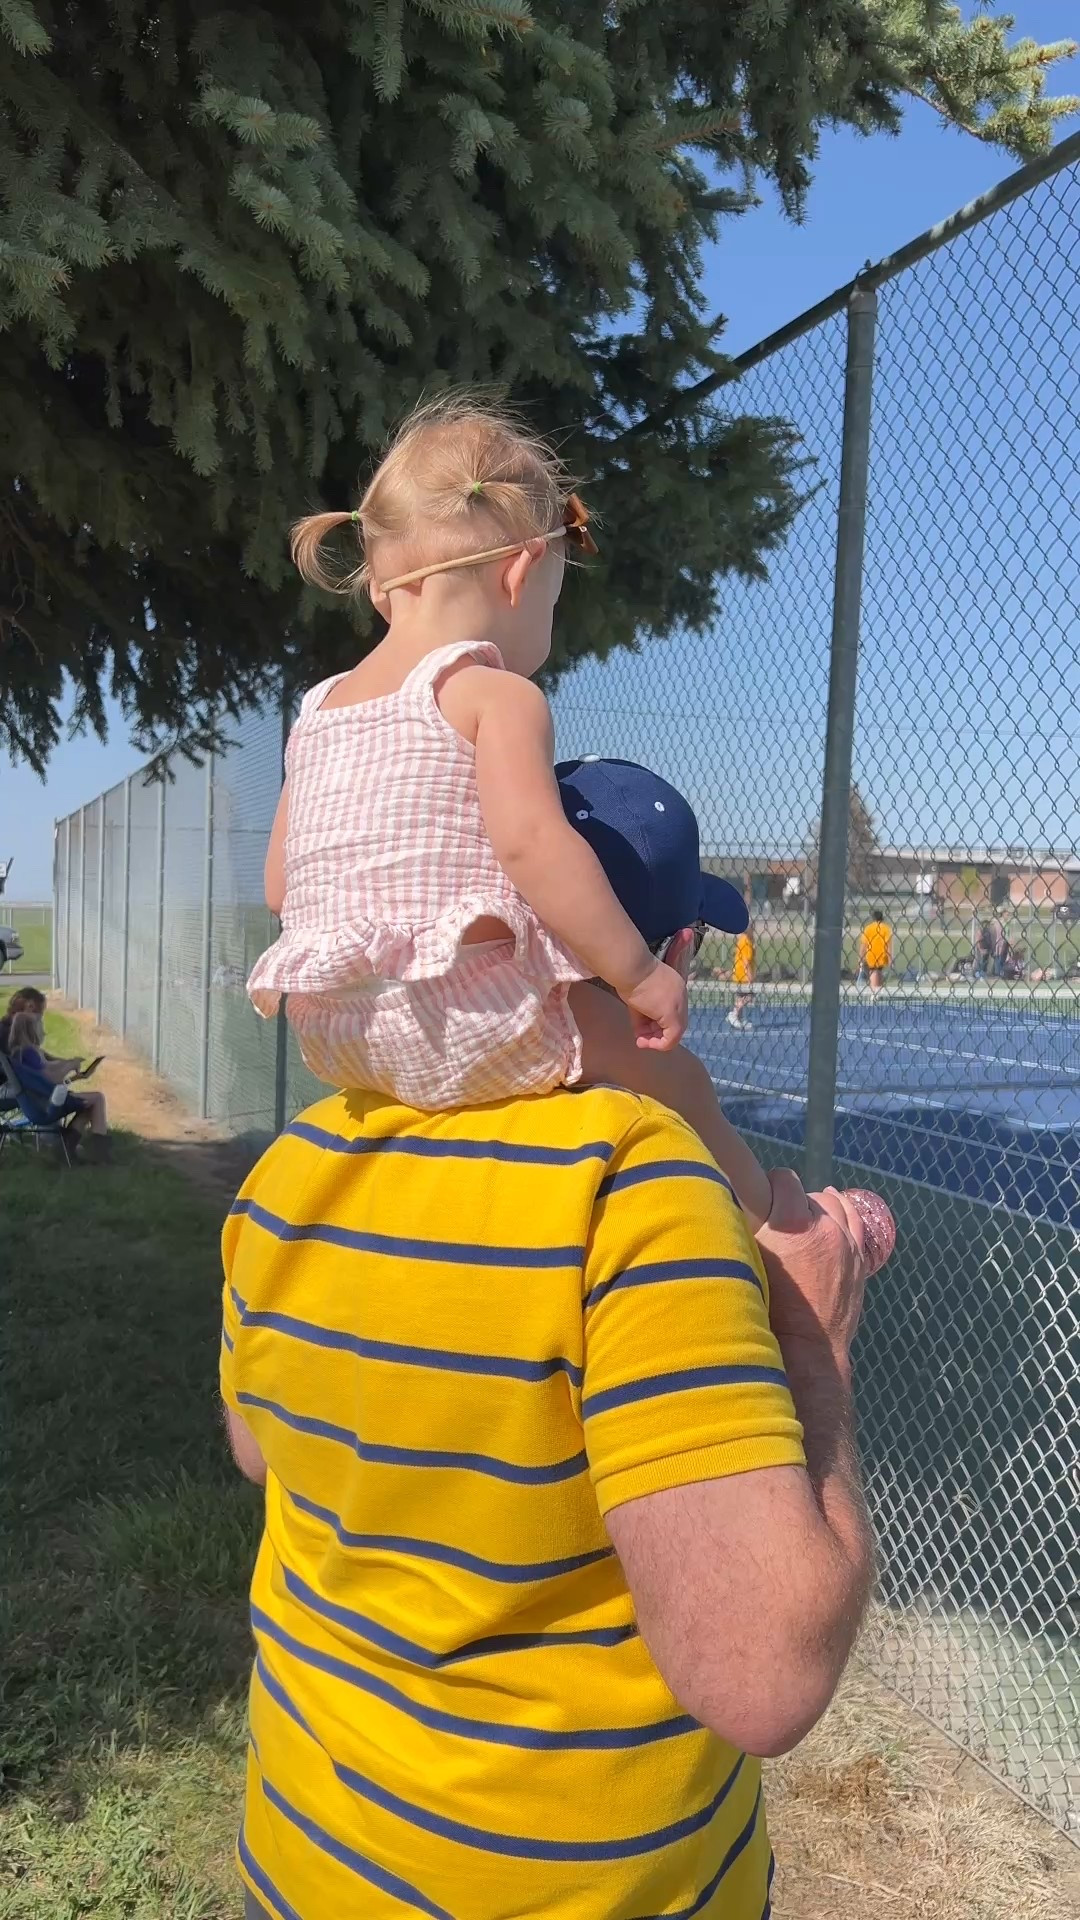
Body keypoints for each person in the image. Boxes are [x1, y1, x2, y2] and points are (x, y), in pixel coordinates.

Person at [221, 769, 875, 1920]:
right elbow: (764, 1678)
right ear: (650, 953)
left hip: (313, 1857)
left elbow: (263, 1452)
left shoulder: (296, 1164)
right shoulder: (631, 1184)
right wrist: (815, 1342)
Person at [247, 393, 789, 1234]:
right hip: (465, 1025)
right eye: (554, 594)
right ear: (519, 570)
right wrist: (639, 978)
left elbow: (283, 887)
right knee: (682, 1088)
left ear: (386, 589)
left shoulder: (316, 713)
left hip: (335, 1032)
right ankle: (780, 1235)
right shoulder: (493, 695)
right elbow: (538, 847)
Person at [5, 1008, 110, 1160]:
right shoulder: (28, 1053)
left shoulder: (26, 1051)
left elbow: (46, 1077)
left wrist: (77, 1075)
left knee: (90, 1102)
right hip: (46, 1102)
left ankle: (68, 1146)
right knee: (97, 1098)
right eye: (40, 1026)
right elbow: (49, 1079)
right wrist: (70, 1065)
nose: (43, 1031)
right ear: (31, 1030)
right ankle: (98, 1154)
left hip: (45, 1098)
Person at [728, 918, 755, 1030]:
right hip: (742, 975)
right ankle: (734, 1014)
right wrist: (750, 976)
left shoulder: (745, 940)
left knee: (741, 996)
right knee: (749, 996)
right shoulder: (746, 941)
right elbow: (745, 961)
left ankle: (739, 1018)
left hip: (740, 974)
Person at [858, 908, 892, 994]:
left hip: (871, 955)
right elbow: (888, 946)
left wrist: (860, 957)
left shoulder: (868, 928)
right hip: (882, 955)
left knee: (874, 972)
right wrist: (890, 959)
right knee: (877, 972)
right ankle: (876, 991)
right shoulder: (886, 928)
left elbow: (864, 945)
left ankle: (875, 991)